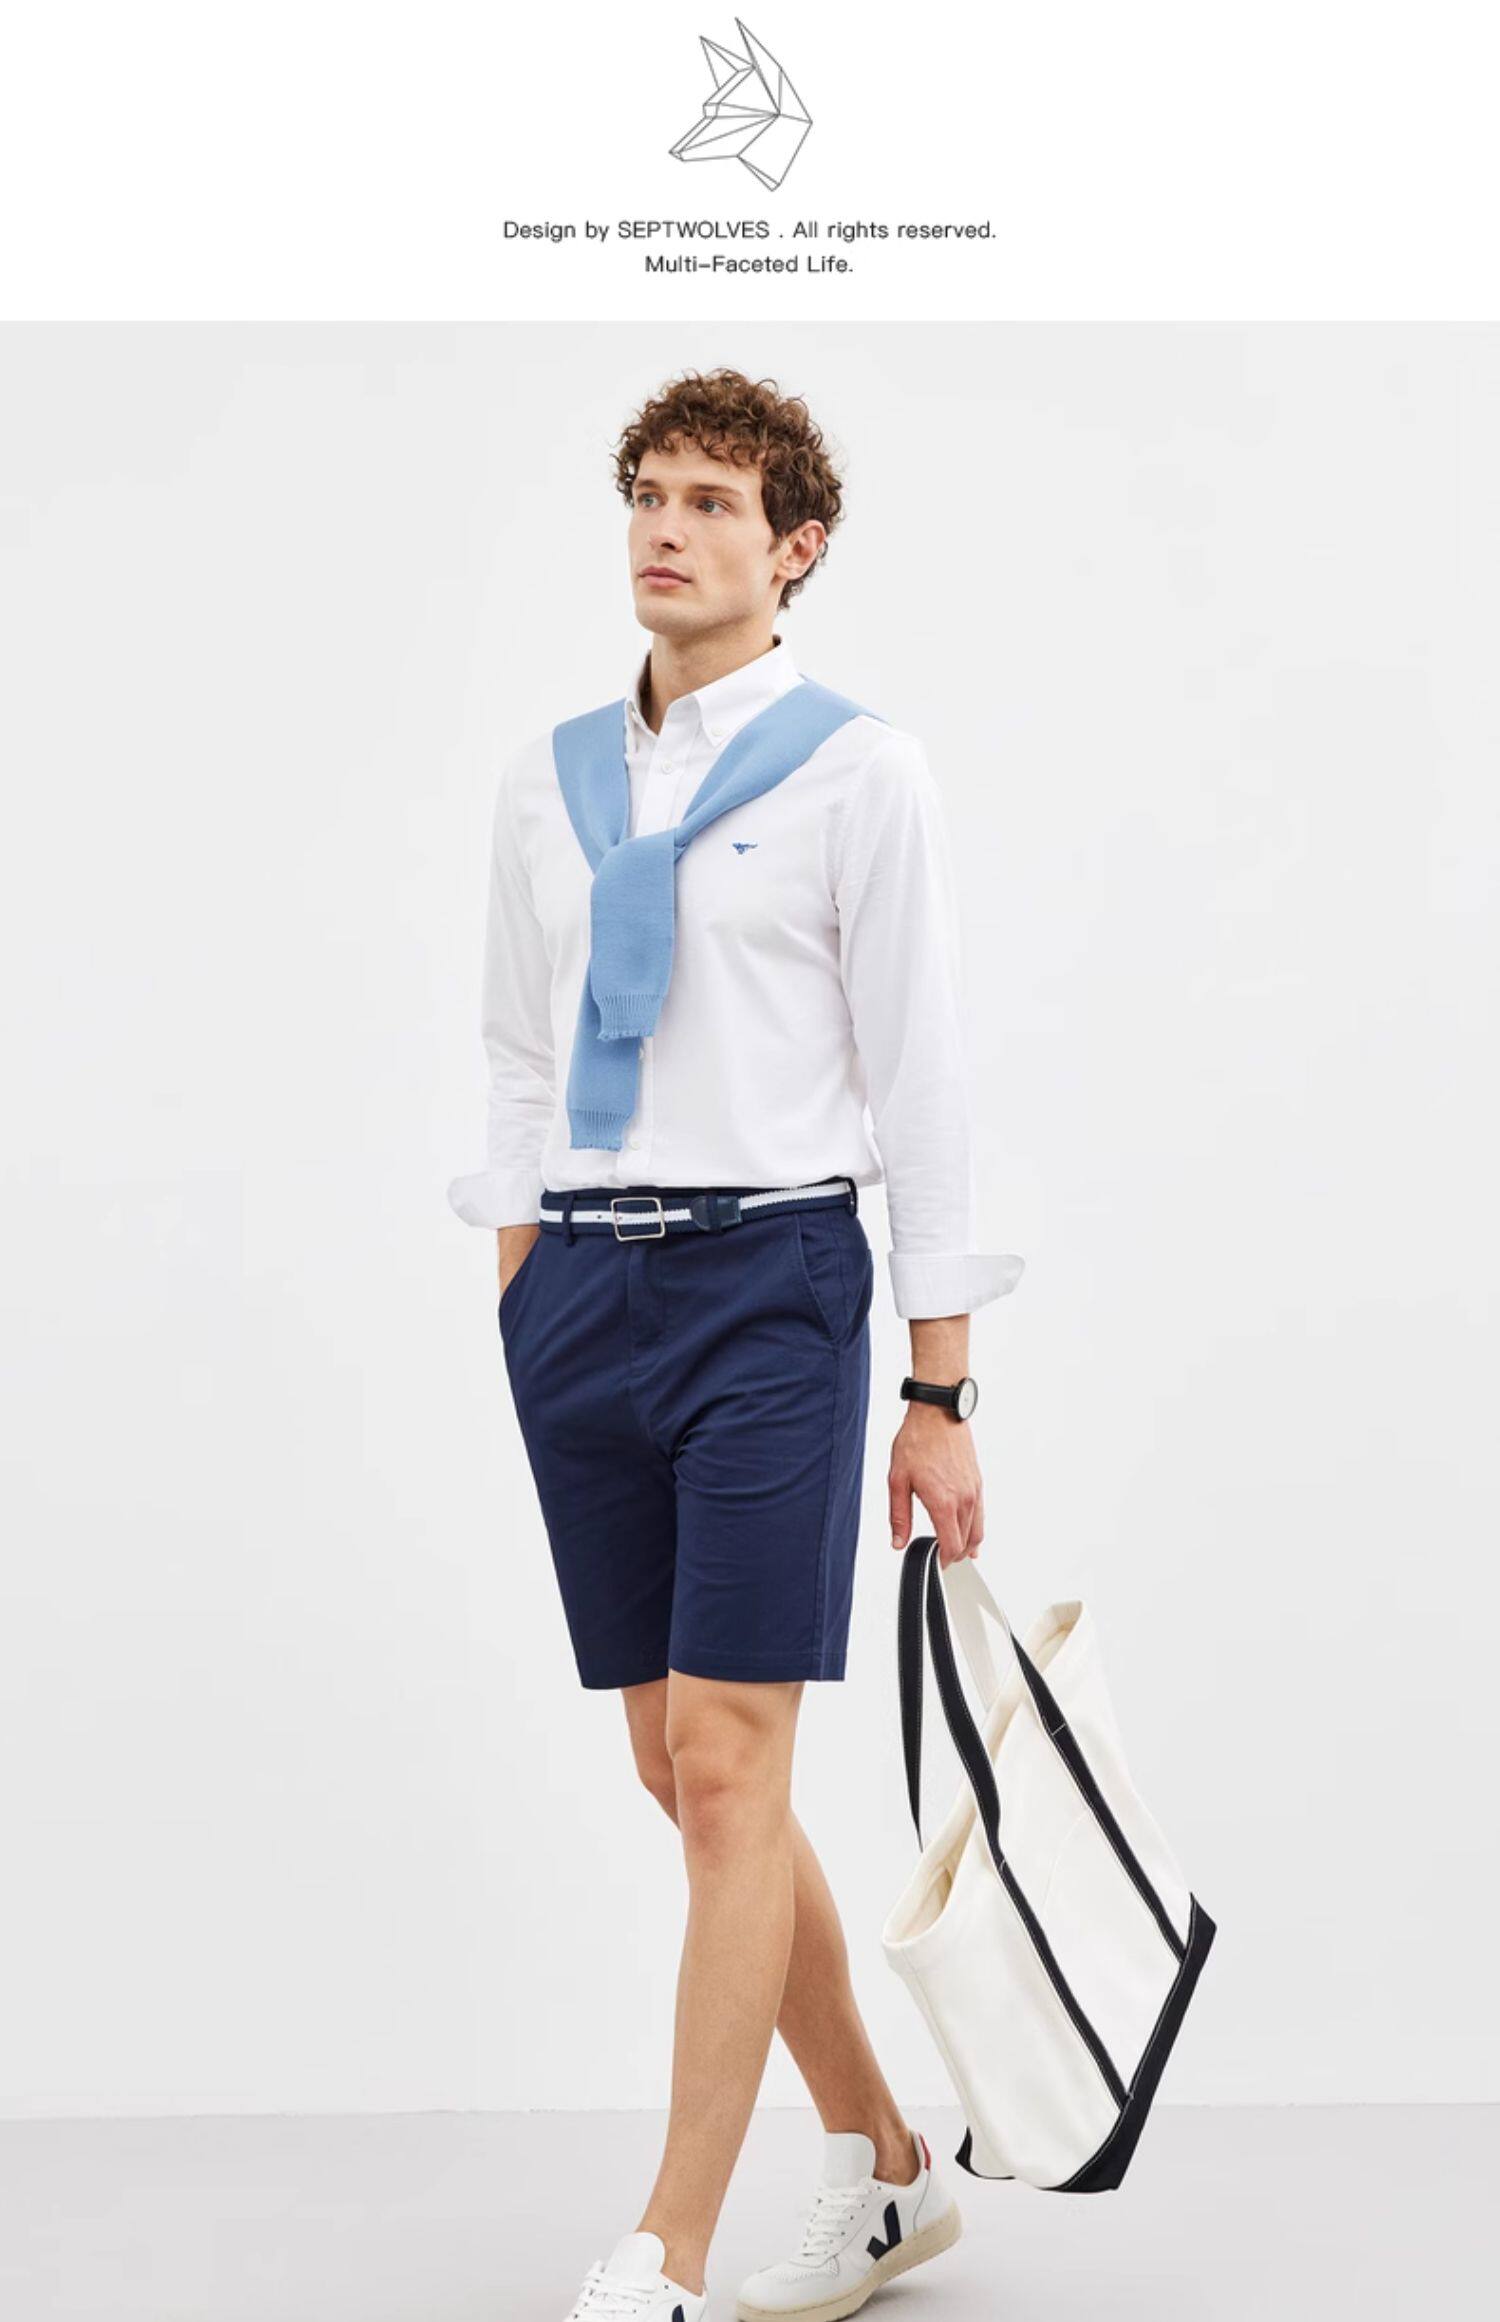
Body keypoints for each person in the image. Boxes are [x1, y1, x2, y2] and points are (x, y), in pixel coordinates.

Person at [448, 367, 1024, 2321]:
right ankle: (886, 2164)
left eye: (712, 501)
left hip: (772, 1284)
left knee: (726, 1761)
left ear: (797, 548)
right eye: (649, 494)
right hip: (579, 1294)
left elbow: (924, 1088)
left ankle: (666, 2251)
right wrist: (522, 1272)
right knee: (682, 1772)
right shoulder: (546, 783)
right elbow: (517, 1048)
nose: (666, 529)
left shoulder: (861, 774)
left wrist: (938, 1387)